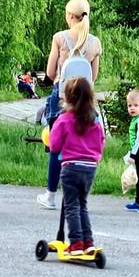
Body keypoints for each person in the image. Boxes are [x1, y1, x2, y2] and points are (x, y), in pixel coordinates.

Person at [37, 0, 102, 210]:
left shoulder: (60, 38)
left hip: (62, 96)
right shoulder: (95, 42)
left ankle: (51, 195)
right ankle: (77, 195)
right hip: (85, 97)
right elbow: (93, 76)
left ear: (69, 16)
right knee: (79, 144)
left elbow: (49, 72)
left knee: (57, 145)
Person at [47, 78, 105, 256]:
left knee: (71, 206)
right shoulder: (94, 120)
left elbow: (54, 145)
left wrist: (52, 143)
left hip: (71, 167)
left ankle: (76, 243)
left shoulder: (64, 120)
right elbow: (101, 141)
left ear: (67, 99)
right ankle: (88, 242)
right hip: (90, 168)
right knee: (82, 205)